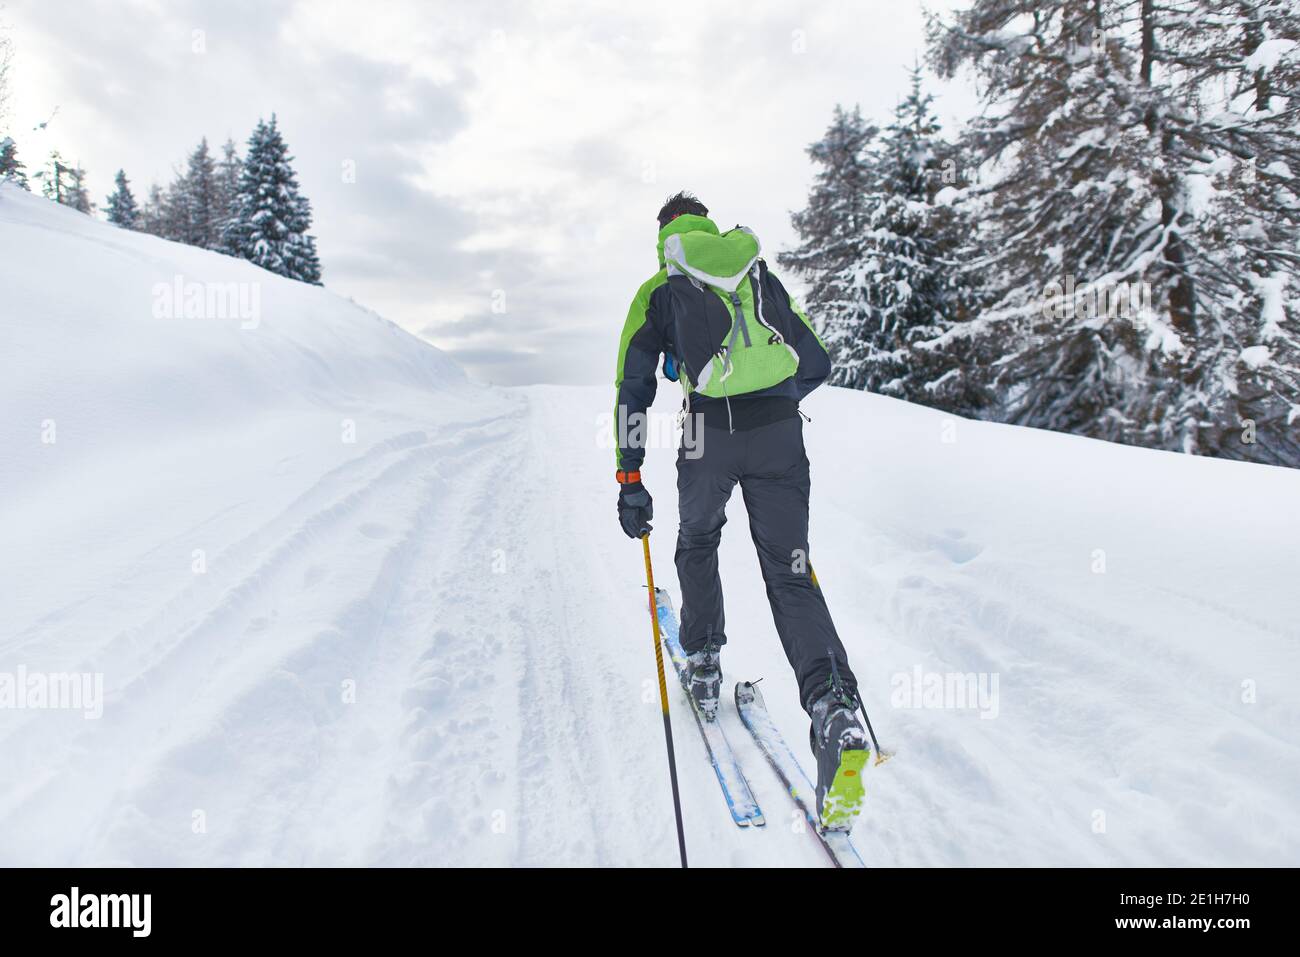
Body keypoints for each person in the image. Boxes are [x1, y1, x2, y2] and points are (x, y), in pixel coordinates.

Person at [612, 191, 869, 831]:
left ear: (665, 232)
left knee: (698, 539)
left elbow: (633, 385)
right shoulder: (756, 271)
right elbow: (816, 360)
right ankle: (834, 708)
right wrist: (774, 403)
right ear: (705, 220)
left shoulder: (660, 288)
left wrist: (629, 473)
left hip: (707, 431)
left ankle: (702, 660)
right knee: (790, 569)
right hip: (781, 428)